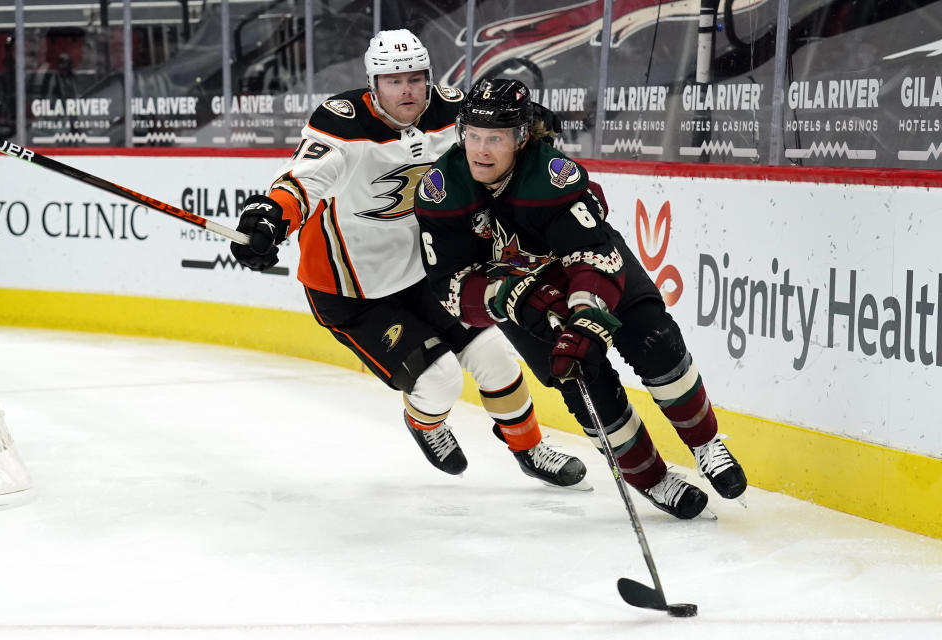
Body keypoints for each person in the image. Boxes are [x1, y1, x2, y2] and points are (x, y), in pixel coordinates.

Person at [229, 30, 586, 488]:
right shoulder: (344, 123)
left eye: (416, 78)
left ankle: (530, 447)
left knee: (495, 355)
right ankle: (426, 422)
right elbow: (304, 178)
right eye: (393, 80)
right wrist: (272, 215)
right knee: (439, 381)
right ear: (372, 83)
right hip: (353, 290)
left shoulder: (450, 110)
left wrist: (525, 130)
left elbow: (493, 141)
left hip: (423, 273)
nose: (406, 90)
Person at [413, 78, 748, 519]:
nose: (481, 150)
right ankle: (652, 479)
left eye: (494, 138)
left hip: (592, 271)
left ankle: (706, 444)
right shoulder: (442, 190)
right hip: (520, 296)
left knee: (656, 339)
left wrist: (586, 313)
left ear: (520, 137)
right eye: (473, 136)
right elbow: (452, 288)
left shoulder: (551, 175)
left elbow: (591, 254)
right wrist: (516, 300)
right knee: (582, 382)